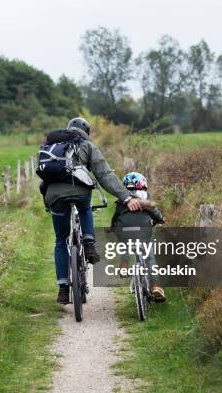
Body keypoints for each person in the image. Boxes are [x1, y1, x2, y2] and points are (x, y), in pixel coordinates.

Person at [40, 117, 146, 304]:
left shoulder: (52, 146)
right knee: (84, 206)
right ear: (86, 132)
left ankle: (63, 290)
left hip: (54, 196)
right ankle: (89, 244)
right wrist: (126, 197)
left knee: (60, 240)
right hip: (79, 191)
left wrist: (49, 202)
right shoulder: (86, 145)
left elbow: (43, 177)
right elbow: (104, 174)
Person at [110, 171, 166, 302]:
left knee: (124, 244)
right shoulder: (146, 196)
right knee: (149, 258)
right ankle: (156, 287)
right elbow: (155, 213)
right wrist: (161, 219)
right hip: (143, 231)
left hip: (124, 230)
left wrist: (112, 227)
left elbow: (116, 216)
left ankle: (124, 267)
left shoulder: (123, 199)